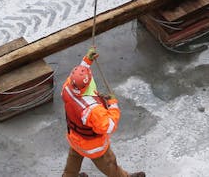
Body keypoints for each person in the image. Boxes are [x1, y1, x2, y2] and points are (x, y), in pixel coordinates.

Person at [60, 49, 145, 177]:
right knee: (110, 164)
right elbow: (109, 125)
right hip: (93, 146)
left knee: (73, 160)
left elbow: (78, 78)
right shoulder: (92, 109)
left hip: (75, 138)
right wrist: (113, 104)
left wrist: (86, 61)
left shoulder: (67, 88)